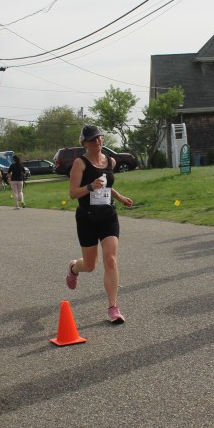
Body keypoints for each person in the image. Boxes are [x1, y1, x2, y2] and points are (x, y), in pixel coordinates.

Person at [65, 125, 133, 324]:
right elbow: (73, 193)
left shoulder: (110, 161)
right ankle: (74, 268)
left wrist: (120, 197)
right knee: (90, 265)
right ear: (84, 143)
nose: (97, 141)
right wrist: (89, 187)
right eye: (92, 139)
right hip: (87, 218)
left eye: (99, 138)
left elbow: (107, 186)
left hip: (108, 216)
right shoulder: (80, 163)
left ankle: (113, 307)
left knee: (110, 258)